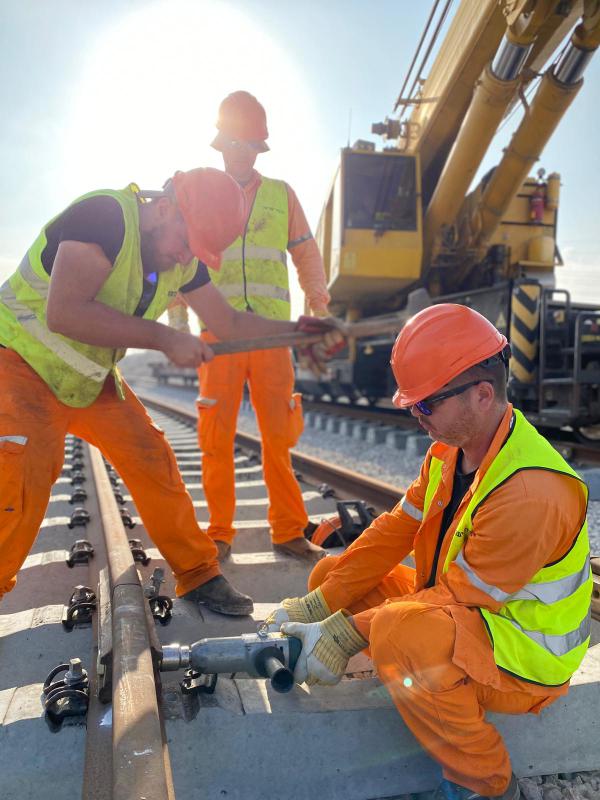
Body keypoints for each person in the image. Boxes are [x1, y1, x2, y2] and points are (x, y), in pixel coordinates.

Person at [267, 304, 592, 799]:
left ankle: (479, 783)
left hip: (525, 659)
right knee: (334, 575)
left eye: (426, 406)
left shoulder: (530, 491)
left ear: (482, 395)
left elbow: (463, 599)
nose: (417, 418)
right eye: (412, 406)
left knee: (401, 632)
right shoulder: (449, 451)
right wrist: (322, 604)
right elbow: (397, 528)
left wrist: (344, 633)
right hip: (470, 615)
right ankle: (416, 683)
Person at [0, 167, 340, 616]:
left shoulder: (184, 259)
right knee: (20, 485)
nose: (184, 256)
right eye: (185, 243)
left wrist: (301, 332)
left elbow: (231, 323)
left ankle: (199, 574)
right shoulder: (103, 217)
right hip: (21, 366)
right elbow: (65, 313)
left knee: (152, 458)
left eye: (195, 252)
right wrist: (165, 338)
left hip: (87, 375)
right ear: (163, 209)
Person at [170, 90, 332, 563]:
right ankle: (219, 533)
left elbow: (306, 253)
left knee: (278, 438)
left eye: (247, 143)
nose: (239, 151)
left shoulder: (282, 196)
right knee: (215, 440)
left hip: (272, 336)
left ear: (258, 147)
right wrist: (178, 328)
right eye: (233, 142)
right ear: (220, 145)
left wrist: (318, 310)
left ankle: (287, 529)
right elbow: (182, 259)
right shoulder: (201, 192)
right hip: (217, 337)